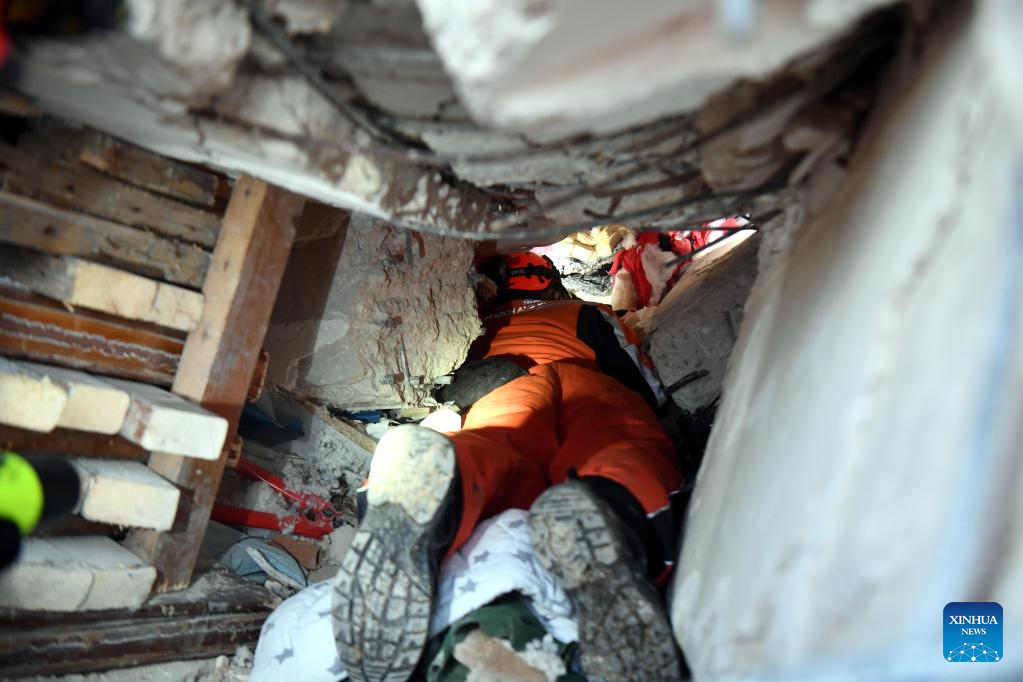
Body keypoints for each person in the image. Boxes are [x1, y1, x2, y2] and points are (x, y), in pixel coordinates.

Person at [333, 252, 686, 682]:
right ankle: (612, 506)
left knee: (492, 445)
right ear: (552, 284)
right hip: (582, 378)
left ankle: (433, 487)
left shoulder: (477, 327)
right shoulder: (584, 312)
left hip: (495, 385)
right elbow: (644, 386)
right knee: (617, 440)